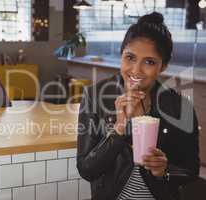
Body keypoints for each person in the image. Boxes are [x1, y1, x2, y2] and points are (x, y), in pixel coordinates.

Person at [77, 12, 200, 200]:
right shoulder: (94, 96)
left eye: (149, 62)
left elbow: (191, 170)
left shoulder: (180, 107)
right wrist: (118, 130)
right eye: (130, 58)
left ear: (163, 66)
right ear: (121, 55)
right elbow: (87, 170)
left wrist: (165, 170)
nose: (136, 70)